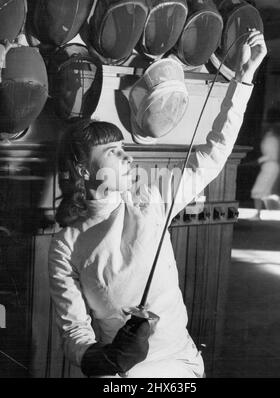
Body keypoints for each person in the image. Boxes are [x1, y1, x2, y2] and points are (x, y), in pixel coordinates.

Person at [48, 30, 267, 378]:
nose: (126, 158)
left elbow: (214, 153)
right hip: (122, 374)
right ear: (81, 168)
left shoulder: (150, 200)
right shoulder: (66, 245)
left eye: (125, 148)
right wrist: (100, 360)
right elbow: (74, 331)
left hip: (181, 362)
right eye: (113, 151)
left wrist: (243, 78)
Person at [251, 125, 280, 218]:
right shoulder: (275, 139)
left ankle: (258, 215)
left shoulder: (269, 139)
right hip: (273, 166)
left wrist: (257, 161)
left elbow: (269, 155)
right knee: (266, 194)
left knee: (257, 192)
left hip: (269, 166)